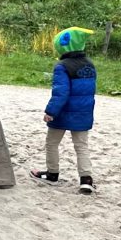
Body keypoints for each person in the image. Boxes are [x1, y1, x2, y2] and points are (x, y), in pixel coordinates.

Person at [29, 26, 98, 194]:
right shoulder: (90, 65)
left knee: (52, 143)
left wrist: (50, 112)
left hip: (63, 113)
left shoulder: (62, 66)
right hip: (83, 113)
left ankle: (52, 173)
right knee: (81, 146)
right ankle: (86, 180)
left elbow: (61, 92)